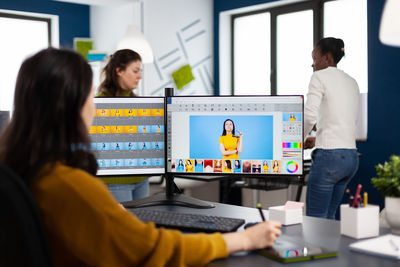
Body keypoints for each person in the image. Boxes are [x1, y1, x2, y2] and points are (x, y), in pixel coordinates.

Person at [0, 48, 282, 266]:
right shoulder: (71, 187)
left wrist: (109, 214)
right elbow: (155, 249)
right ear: (73, 105)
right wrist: (242, 239)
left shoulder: (20, 169)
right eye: (89, 97)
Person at [304, 37, 360, 220]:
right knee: (329, 218)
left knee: (315, 220)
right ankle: (331, 250)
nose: (312, 65)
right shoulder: (352, 81)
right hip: (351, 158)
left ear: (328, 57)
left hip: (329, 159)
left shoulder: (319, 76)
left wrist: (294, 141)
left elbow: (309, 115)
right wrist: (318, 138)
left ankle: (316, 249)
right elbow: (348, 120)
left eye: (315, 58)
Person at [96, 49, 148, 202]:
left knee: (141, 224)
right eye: (135, 71)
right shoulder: (98, 103)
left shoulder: (140, 104)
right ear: (119, 70)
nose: (140, 76)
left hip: (141, 180)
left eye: (140, 71)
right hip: (115, 182)